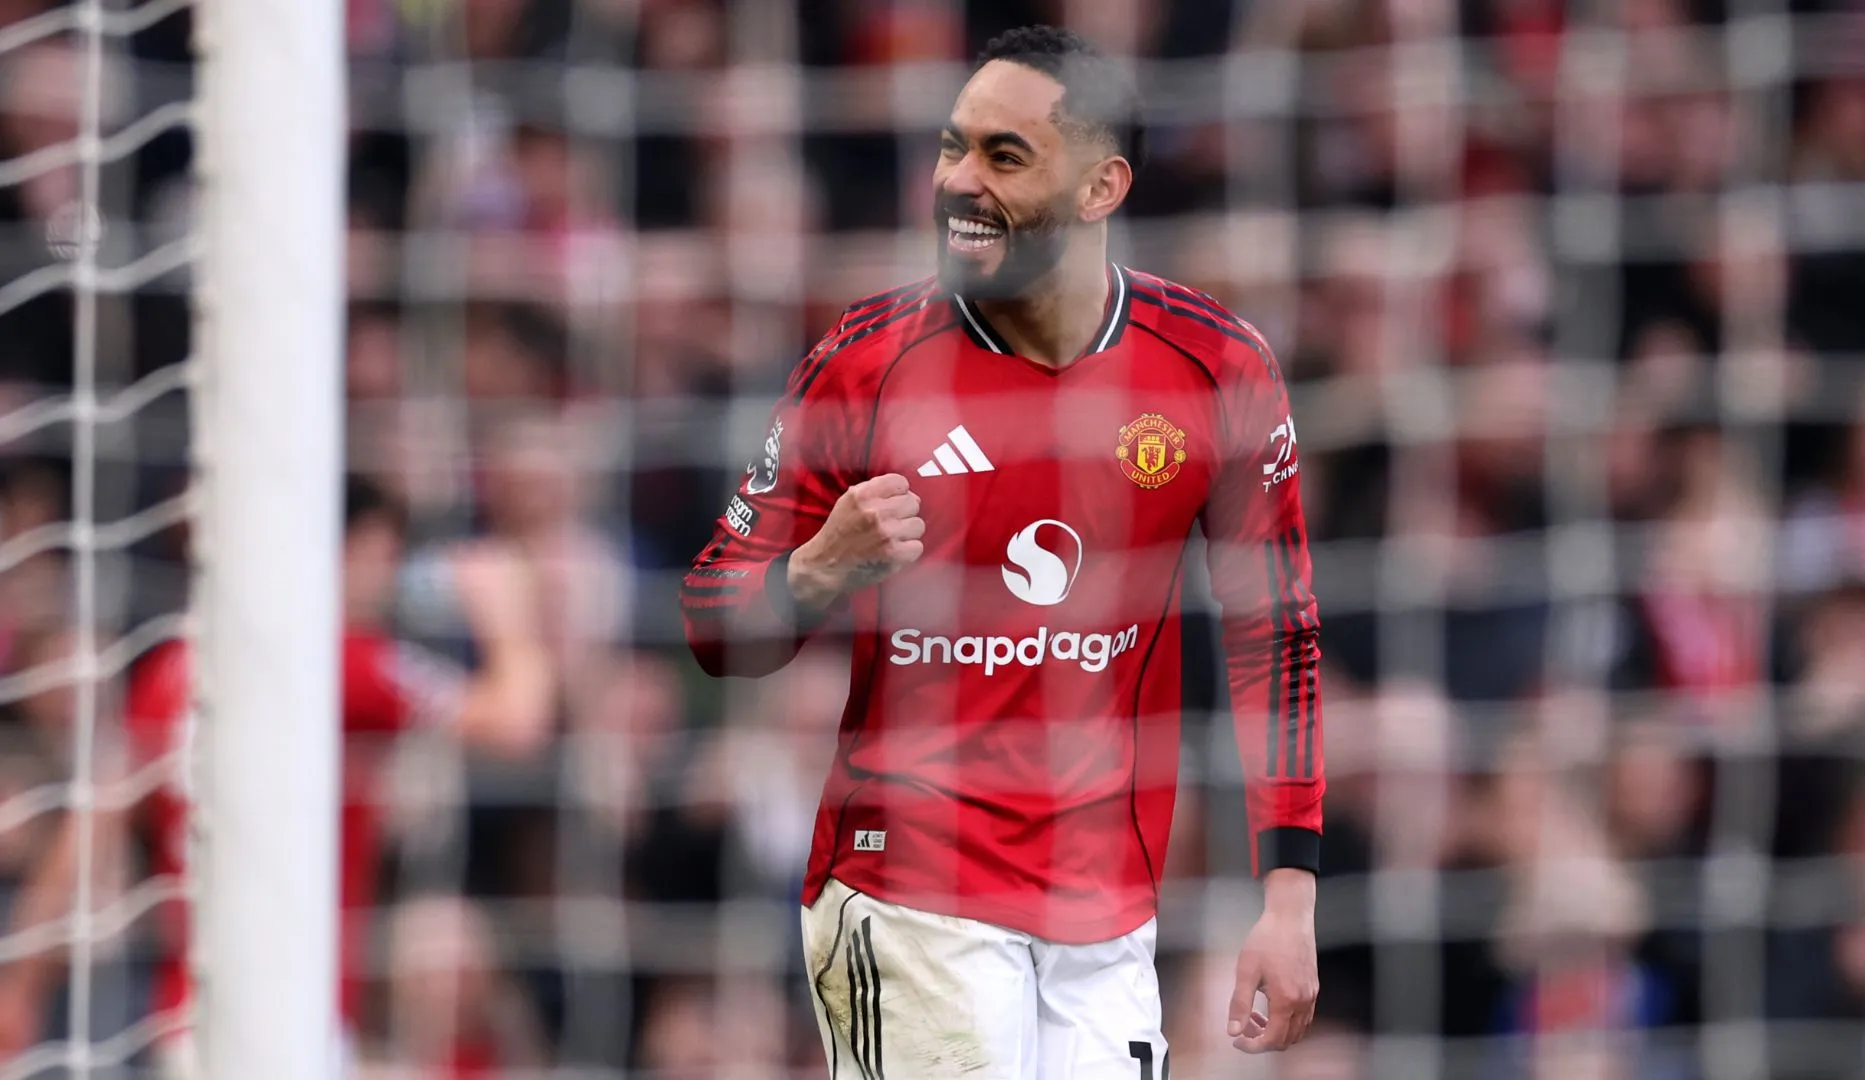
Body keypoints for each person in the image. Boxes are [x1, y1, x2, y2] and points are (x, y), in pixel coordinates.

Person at [682, 25, 1323, 1078]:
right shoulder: (865, 366)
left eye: (1003, 156)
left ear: (1100, 186)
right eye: (951, 147)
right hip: (909, 888)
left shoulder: (1215, 370)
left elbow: (1279, 638)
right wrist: (818, 570)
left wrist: (1288, 893)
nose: (957, 183)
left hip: (1104, 907)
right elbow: (712, 620)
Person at [0, 477, 555, 1076]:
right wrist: (509, 615)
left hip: (187, 1021)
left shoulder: (172, 670)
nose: (387, 583)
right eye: (382, 558)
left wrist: (22, 988)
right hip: (288, 1024)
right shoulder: (342, 660)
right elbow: (517, 723)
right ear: (344, 554)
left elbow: (87, 831)